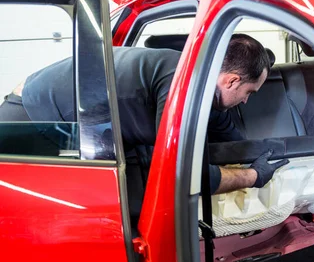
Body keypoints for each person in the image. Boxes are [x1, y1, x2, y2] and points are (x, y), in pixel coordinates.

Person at [0, 34, 289, 199]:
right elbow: (183, 176)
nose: (247, 100)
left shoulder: (203, 81)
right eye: (250, 92)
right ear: (231, 80)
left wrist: (257, 151)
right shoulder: (184, 83)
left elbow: (225, 130)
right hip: (35, 120)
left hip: (89, 124)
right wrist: (252, 176)